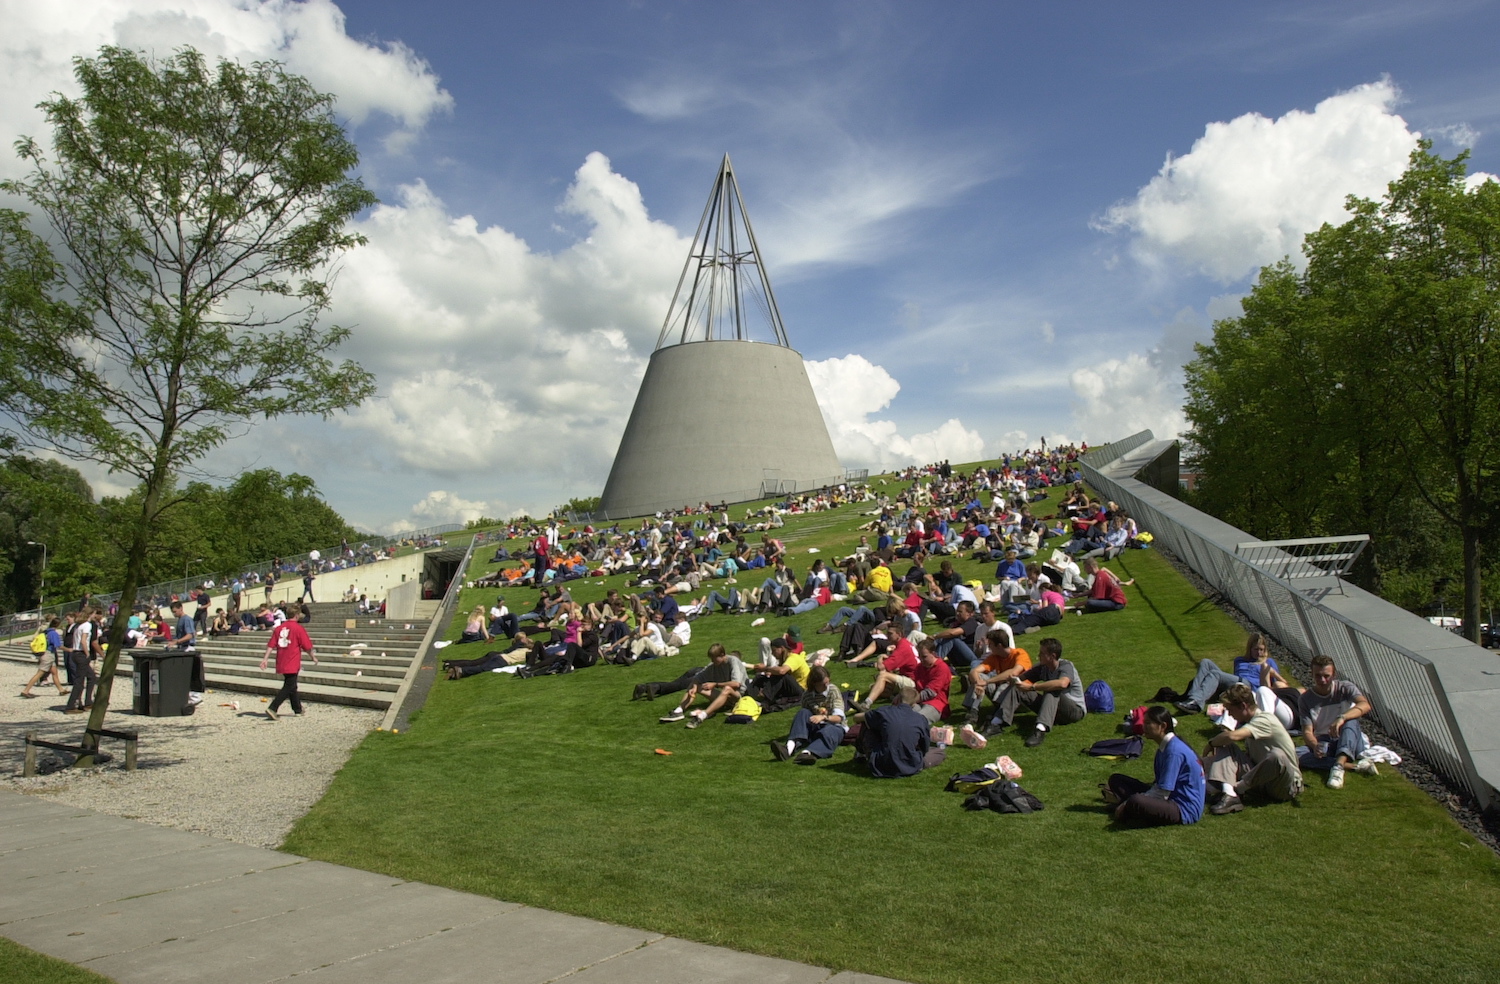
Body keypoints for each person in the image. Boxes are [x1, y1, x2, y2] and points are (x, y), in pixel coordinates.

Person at [1201, 683, 1304, 814]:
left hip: (1283, 785)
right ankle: (1229, 793)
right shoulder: (1250, 722)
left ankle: (1237, 789)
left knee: (1277, 755)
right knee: (1225, 744)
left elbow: (1233, 736)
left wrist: (1210, 744)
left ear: (1243, 706)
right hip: (1260, 779)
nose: (1230, 714)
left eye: (1230, 709)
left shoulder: (1265, 720)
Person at [1102, 705, 1206, 826]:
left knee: (1136, 801)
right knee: (1116, 779)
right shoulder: (1167, 747)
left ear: (1163, 726)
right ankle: (1132, 808)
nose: (1143, 726)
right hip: (1171, 796)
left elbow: (1162, 793)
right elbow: (1159, 785)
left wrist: (1131, 801)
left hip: (1183, 808)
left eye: (1147, 723)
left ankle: (1129, 809)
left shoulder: (1174, 751)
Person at [1297, 655, 1379, 789]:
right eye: (1318, 676)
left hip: (1348, 737)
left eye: (1326, 676)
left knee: (1351, 720)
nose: (1322, 680)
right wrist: (1314, 745)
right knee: (1294, 754)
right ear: (1312, 674)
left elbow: (1365, 705)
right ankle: (1353, 766)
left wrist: (1342, 718)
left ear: (1334, 675)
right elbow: (1307, 731)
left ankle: (1338, 768)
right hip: (1325, 741)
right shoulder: (1305, 699)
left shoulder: (1345, 688)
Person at [985, 636, 1085, 746]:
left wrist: (1033, 687)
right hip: (1053, 711)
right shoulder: (1042, 667)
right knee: (1018, 688)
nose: (1038, 655)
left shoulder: (1066, 666)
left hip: (1073, 711)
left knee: (1052, 689)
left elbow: (1062, 683)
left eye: (1042, 653)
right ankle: (996, 723)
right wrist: (989, 682)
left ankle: (1040, 730)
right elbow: (1020, 678)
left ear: (1052, 656)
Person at [857, 687, 942, 778]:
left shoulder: (884, 712)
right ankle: (917, 763)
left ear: (897, 698)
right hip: (910, 764)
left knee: (868, 721)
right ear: (914, 704)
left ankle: (860, 753)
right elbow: (924, 747)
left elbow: (857, 718)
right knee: (939, 753)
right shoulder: (921, 719)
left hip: (880, 762)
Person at [770, 665, 846, 764]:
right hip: (816, 726)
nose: (826, 686)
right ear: (814, 684)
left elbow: (839, 718)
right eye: (823, 684)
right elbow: (804, 720)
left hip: (835, 726)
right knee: (803, 712)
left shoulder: (833, 691)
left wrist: (823, 717)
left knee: (829, 731)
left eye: (827, 682)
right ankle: (789, 748)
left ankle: (807, 753)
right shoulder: (807, 695)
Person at [658, 643, 746, 728]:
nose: (712, 661)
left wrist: (716, 684)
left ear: (722, 654)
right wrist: (694, 687)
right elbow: (698, 677)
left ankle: (702, 716)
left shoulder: (733, 661)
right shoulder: (713, 665)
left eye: (714, 658)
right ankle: (679, 711)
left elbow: (736, 684)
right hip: (725, 696)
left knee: (727, 688)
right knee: (695, 684)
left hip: (739, 696)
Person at [965, 632, 1031, 731]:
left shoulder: (1020, 654)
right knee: (980, 677)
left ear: (999, 645)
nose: (988, 647)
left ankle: (994, 716)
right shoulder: (994, 657)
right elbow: (974, 671)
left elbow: (1013, 672)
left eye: (990, 644)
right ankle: (973, 712)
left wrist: (987, 682)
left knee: (1010, 682)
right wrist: (978, 682)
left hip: (1019, 697)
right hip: (1000, 692)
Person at [260, 613, 317, 719]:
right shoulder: (298, 628)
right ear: (296, 616)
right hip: (292, 660)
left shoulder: (278, 628)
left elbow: (271, 645)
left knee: (292, 685)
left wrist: (265, 659)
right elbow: (307, 646)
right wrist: (313, 657)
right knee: (289, 686)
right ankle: (273, 707)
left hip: (282, 660)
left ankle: (297, 709)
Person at [21, 617, 67, 699]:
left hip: (47, 654)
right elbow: (58, 645)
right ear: (58, 624)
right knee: (40, 673)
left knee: (54, 673)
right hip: (48, 655)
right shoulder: (53, 633)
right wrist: (69, 649)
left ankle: (61, 690)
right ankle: (26, 690)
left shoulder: (46, 632)